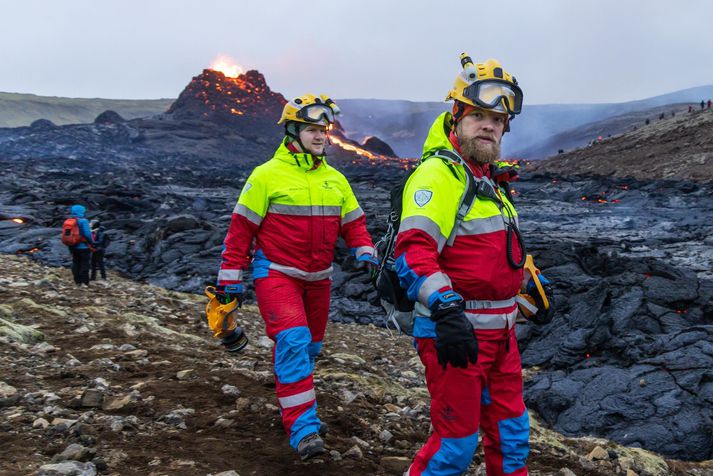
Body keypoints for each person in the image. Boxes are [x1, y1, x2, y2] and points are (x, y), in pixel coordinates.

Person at [394, 54, 554, 476]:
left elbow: (498, 251)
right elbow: (413, 251)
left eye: (498, 120)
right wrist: (445, 308)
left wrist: (529, 281)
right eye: (479, 115)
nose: (489, 125)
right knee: (454, 448)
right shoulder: (438, 176)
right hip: (454, 336)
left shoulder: (487, 180)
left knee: (512, 437)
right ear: (457, 115)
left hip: (502, 337)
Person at [215, 94, 377, 460]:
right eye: (312, 129)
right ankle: (304, 431)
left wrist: (364, 248)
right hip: (276, 274)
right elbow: (240, 232)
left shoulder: (335, 180)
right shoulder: (266, 176)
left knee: (309, 349)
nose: (320, 136)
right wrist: (229, 282)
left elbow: (355, 224)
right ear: (293, 130)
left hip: (319, 280)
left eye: (324, 129)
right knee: (293, 340)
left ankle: (291, 394)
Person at [64, 205, 95, 286]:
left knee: (76, 262)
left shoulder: (68, 221)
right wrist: (92, 243)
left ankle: (77, 281)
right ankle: (85, 282)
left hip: (73, 246)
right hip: (83, 247)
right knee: (84, 264)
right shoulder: (83, 221)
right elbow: (87, 234)